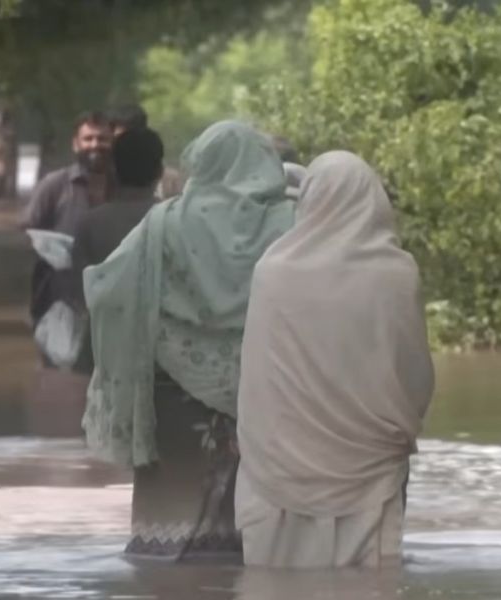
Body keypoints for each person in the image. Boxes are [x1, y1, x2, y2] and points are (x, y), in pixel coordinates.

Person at [82, 120, 294, 560]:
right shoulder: (291, 222)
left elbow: (111, 292)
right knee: (255, 549)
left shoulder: (166, 222)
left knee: (166, 553)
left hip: (175, 396)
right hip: (267, 396)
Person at [235, 151, 434, 569]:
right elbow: (415, 373)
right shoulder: (397, 273)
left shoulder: (273, 271)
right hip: (371, 467)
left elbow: (256, 378)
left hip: (278, 466)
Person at [70, 127, 167, 374]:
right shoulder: (175, 220)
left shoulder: (89, 223)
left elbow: (79, 293)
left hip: (104, 347)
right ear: (160, 172)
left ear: (113, 170)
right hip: (162, 350)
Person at [21, 111, 114, 361]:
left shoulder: (125, 187)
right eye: (89, 139)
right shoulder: (55, 185)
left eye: (103, 139)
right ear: (76, 144)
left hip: (113, 299)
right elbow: (26, 232)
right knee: (59, 379)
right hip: (59, 297)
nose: (95, 145)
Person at [110, 103, 185, 200]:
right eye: (121, 140)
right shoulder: (104, 177)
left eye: (133, 139)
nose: (127, 146)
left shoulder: (170, 180)